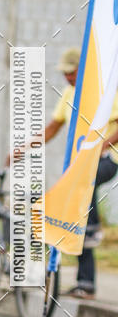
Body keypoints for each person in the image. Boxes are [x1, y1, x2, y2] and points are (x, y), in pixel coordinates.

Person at [43, 47, 118, 298]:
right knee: (79, 213)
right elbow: (53, 127)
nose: (67, 77)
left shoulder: (102, 92)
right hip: (82, 166)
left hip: (108, 160)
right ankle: (86, 284)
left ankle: (93, 227)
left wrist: (101, 146)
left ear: (82, 69)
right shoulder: (68, 94)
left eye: (71, 72)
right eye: (64, 73)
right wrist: (25, 147)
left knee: (85, 186)